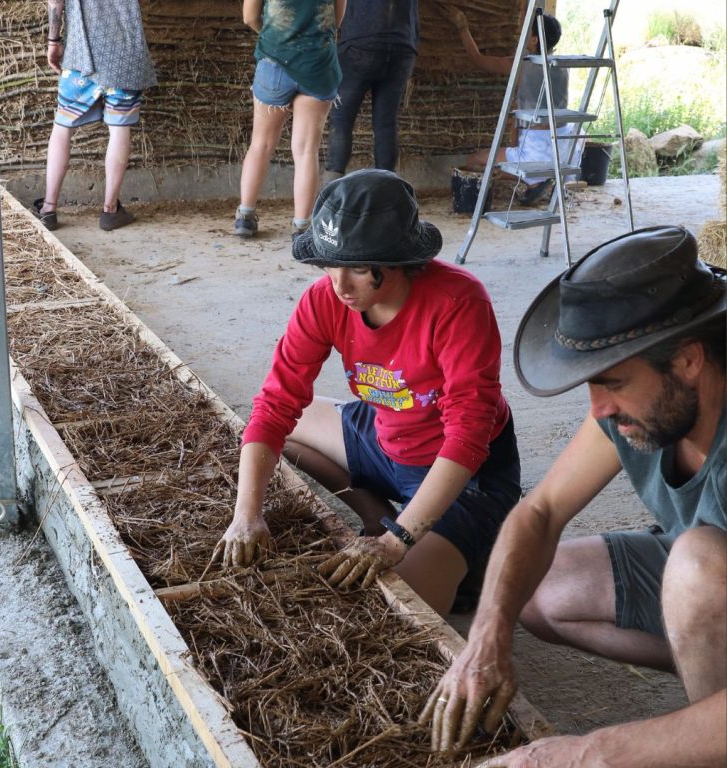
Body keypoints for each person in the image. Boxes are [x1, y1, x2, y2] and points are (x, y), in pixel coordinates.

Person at [420, 226, 726, 766]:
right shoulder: (638, 406)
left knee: (697, 567)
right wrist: (489, 631)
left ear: (687, 361)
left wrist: (589, 753)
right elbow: (539, 512)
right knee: (538, 588)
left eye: (612, 381)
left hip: (706, 569)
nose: (599, 408)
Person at [214, 169, 521, 616]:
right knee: (285, 428)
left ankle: (450, 546)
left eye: (358, 267)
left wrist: (399, 541)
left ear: (401, 259)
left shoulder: (458, 302)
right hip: (386, 433)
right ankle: (376, 514)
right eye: (330, 264)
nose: (340, 285)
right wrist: (247, 515)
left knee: (402, 608)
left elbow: (468, 433)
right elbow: (276, 403)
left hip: (462, 472)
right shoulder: (323, 300)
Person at [32, 0, 157, 232]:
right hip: (125, 57)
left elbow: (55, 1)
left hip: (80, 56)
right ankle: (110, 211)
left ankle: (48, 209)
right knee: (119, 129)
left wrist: (53, 41)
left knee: (62, 126)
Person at [234, 0, 346, 240]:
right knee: (306, 150)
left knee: (261, 143)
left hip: (275, 61)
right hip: (318, 65)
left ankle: (245, 216)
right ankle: (302, 226)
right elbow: (336, 21)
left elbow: (249, 17)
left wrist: (276, 37)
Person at [448, 9, 580, 206]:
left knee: (473, 161)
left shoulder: (520, 65)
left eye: (526, 32)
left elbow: (478, 60)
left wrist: (462, 27)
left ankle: (535, 182)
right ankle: (541, 179)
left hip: (537, 147)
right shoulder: (562, 66)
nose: (521, 35)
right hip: (565, 145)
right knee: (510, 154)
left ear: (534, 40)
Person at [323, 0, 419, 182]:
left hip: (361, 39)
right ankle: (387, 188)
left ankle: (331, 187)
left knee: (342, 119)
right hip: (403, 45)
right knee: (386, 123)